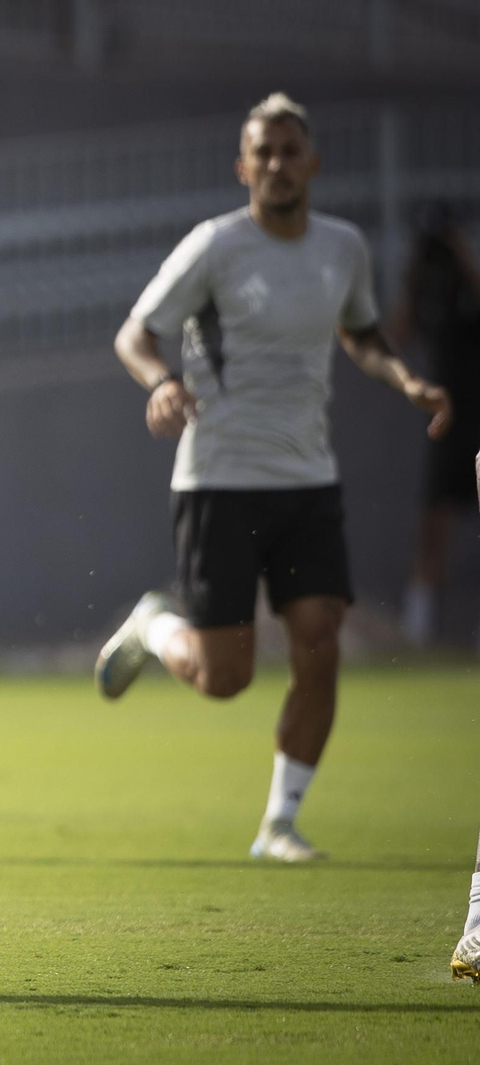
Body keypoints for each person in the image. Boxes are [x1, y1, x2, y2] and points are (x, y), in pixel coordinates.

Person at [93, 93, 450, 862]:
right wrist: (159, 380)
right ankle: (156, 625)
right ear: (243, 166)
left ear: (313, 163)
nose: (279, 165)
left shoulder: (343, 247)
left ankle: (279, 823)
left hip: (308, 479)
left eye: (292, 151)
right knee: (226, 678)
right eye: (265, 152)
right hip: (217, 479)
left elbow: (361, 333)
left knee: (319, 639)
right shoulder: (214, 247)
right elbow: (135, 332)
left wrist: (406, 380)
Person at [394, 202, 480, 647]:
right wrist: (412, 269)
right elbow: (402, 331)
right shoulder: (428, 289)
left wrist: (463, 257)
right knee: (433, 529)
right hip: (448, 425)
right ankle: (418, 631)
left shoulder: (468, 285)